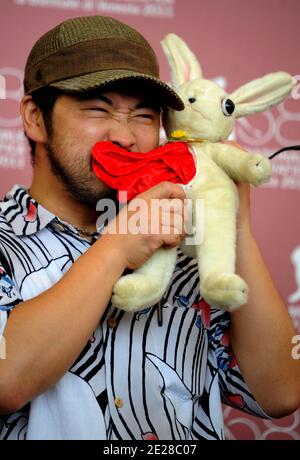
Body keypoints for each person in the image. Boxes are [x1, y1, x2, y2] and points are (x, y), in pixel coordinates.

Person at [0, 15, 299, 441]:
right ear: (34, 117)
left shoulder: (186, 248)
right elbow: (6, 381)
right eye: (97, 108)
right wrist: (117, 246)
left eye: (143, 115)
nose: (124, 136)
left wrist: (233, 226)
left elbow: (281, 392)